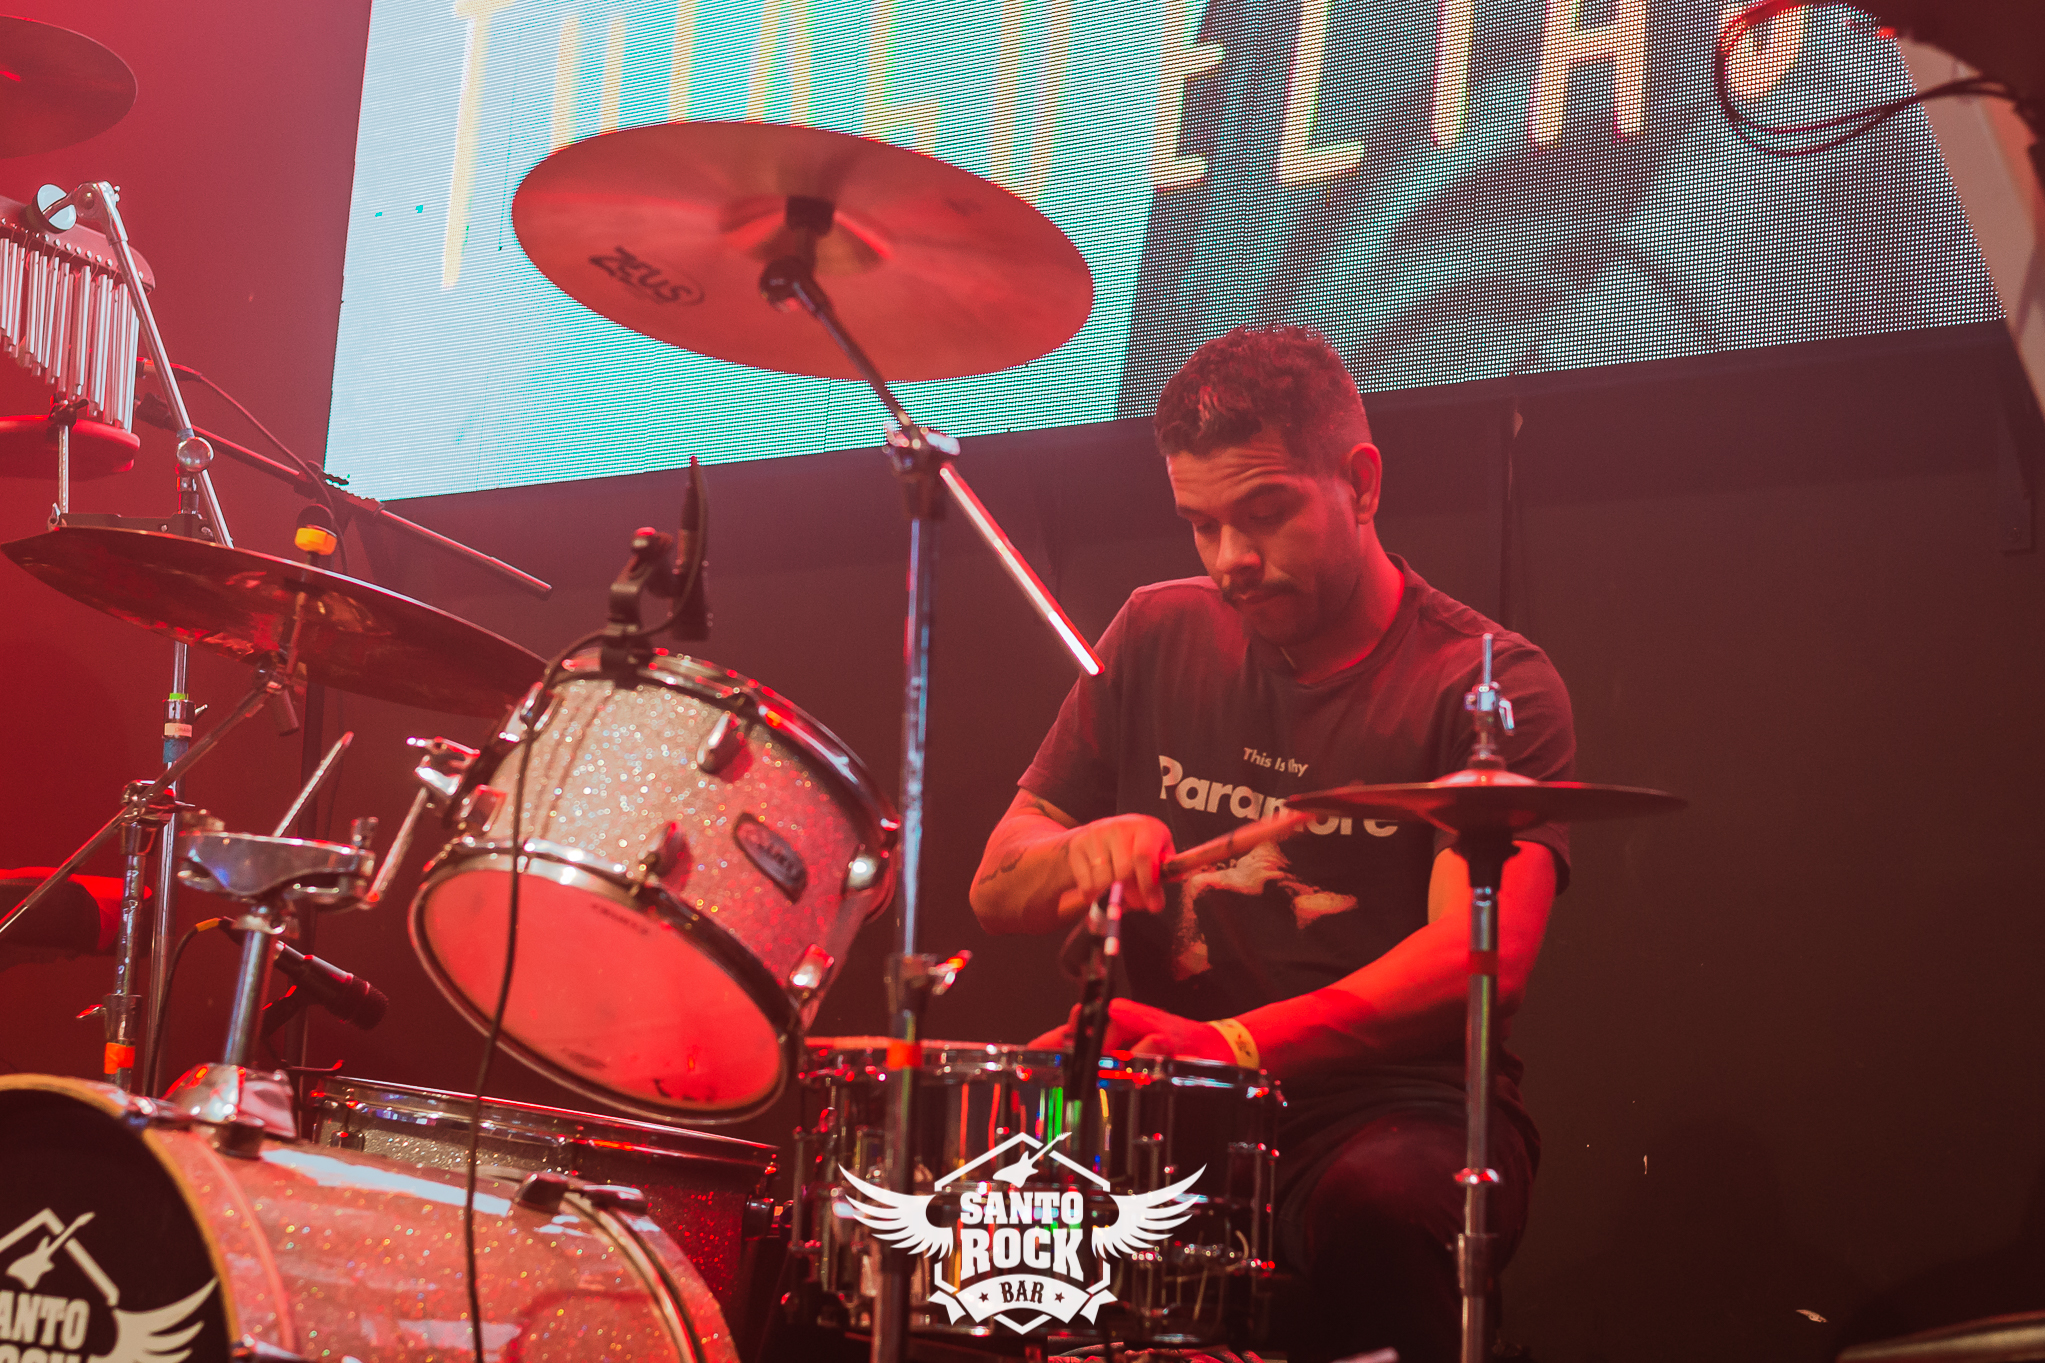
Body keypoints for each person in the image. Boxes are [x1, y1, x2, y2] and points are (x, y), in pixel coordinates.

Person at [970, 324, 1576, 1363]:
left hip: (1386, 1106)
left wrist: (1235, 1047)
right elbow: (995, 885)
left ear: (1360, 483)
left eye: (1263, 514)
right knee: (962, 1200)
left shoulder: (1484, 684)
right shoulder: (1153, 631)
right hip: (1163, 1094)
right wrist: (1080, 852)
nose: (1230, 561)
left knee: (1381, 1206)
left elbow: (1480, 959)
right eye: (1200, 525)